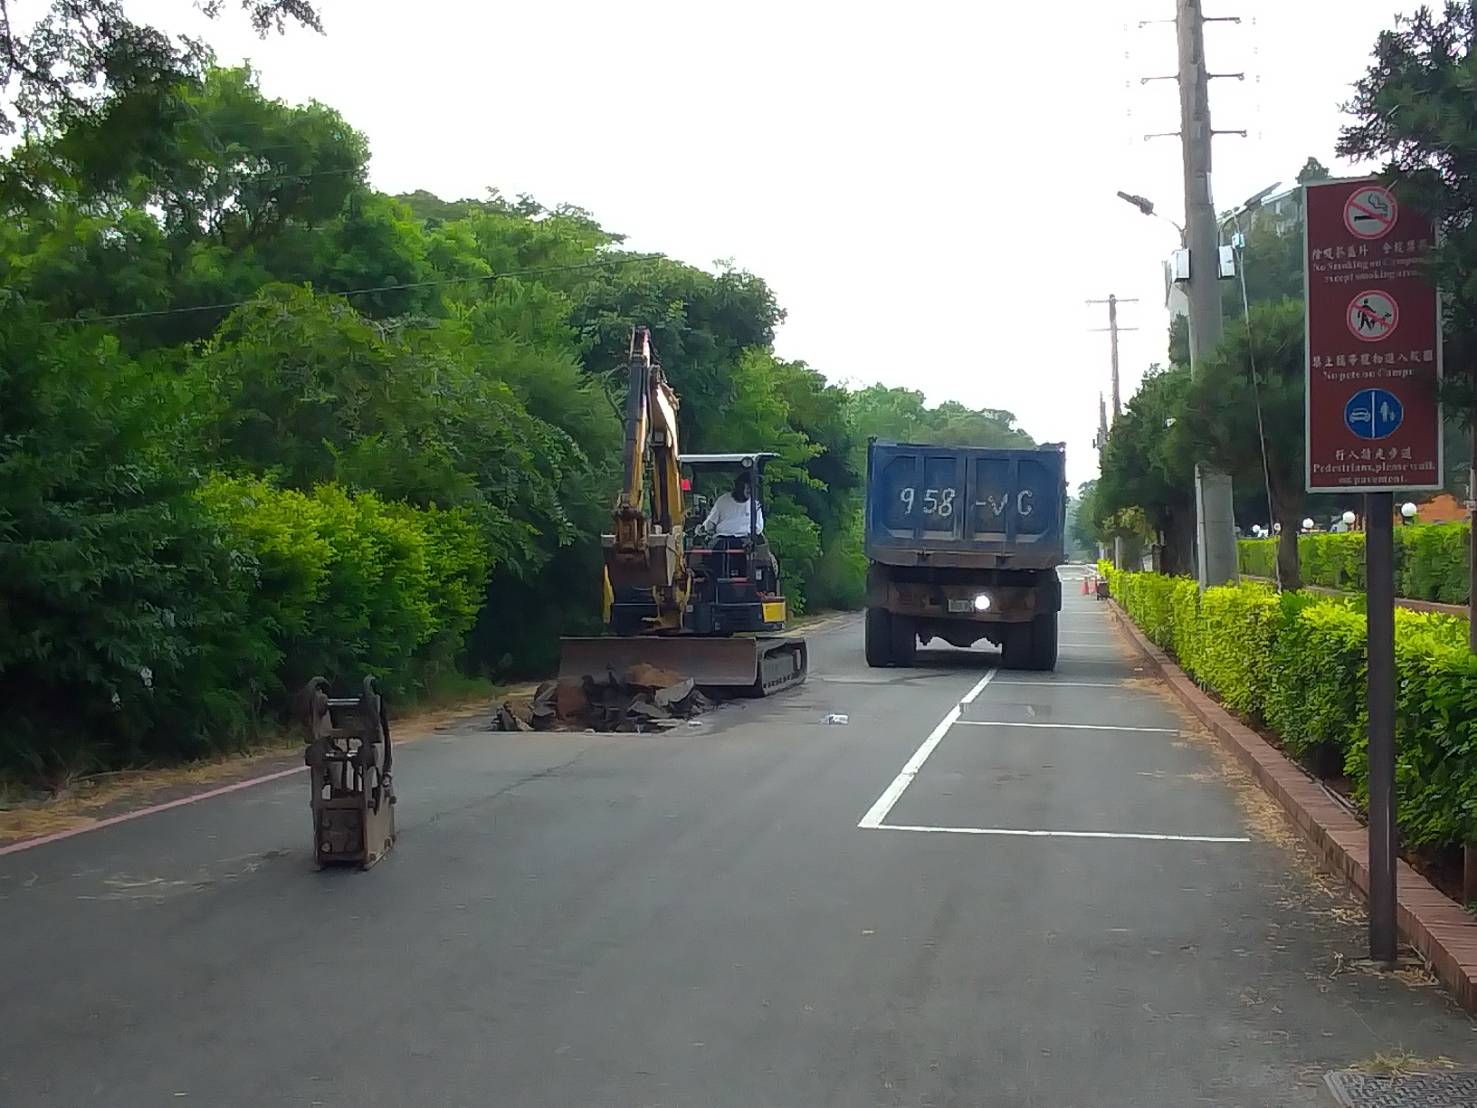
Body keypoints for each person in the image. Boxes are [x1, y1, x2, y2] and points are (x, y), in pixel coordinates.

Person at [700, 471, 764, 538]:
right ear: (739, 486)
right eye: (747, 487)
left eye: (752, 487)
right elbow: (711, 522)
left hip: (747, 540)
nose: (750, 490)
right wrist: (704, 529)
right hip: (723, 539)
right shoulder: (723, 501)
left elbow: (759, 528)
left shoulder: (755, 505)